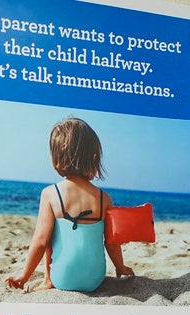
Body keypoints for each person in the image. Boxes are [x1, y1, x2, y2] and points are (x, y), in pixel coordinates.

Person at [7, 116, 134, 293]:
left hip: (63, 278)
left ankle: (48, 280)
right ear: (94, 158)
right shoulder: (104, 198)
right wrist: (120, 267)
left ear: (57, 160)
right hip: (95, 278)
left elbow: (41, 241)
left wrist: (24, 275)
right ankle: (52, 279)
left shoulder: (50, 194)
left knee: (49, 233)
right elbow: (112, 243)